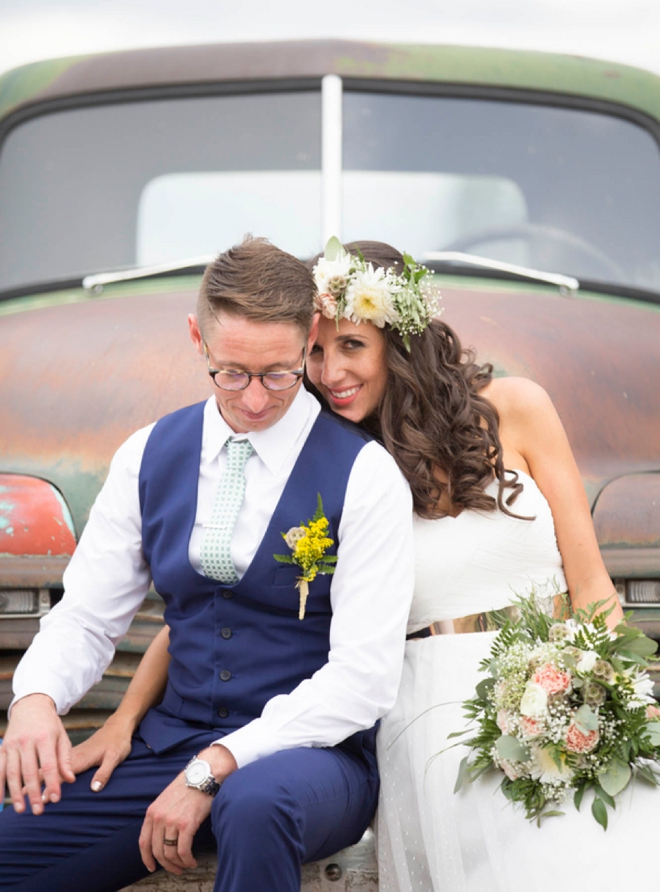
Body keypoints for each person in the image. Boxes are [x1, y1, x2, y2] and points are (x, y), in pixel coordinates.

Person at [63, 238, 653, 891]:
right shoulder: (336, 467)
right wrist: (125, 717)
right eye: (315, 351)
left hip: (561, 684)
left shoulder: (518, 407)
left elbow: (592, 587)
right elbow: (215, 606)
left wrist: (613, 696)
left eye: (352, 346)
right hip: (428, 713)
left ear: (398, 343)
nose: (329, 370)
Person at [0, 238, 415, 892]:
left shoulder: (366, 476)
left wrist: (216, 766)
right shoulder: (148, 454)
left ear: (310, 336)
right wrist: (36, 699)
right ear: (198, 338)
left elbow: (362, 679)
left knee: (255, 806)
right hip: (170, 744)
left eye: (279, 372)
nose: (254, 400)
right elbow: (87, 617)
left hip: (312, 761)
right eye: (231, 373)